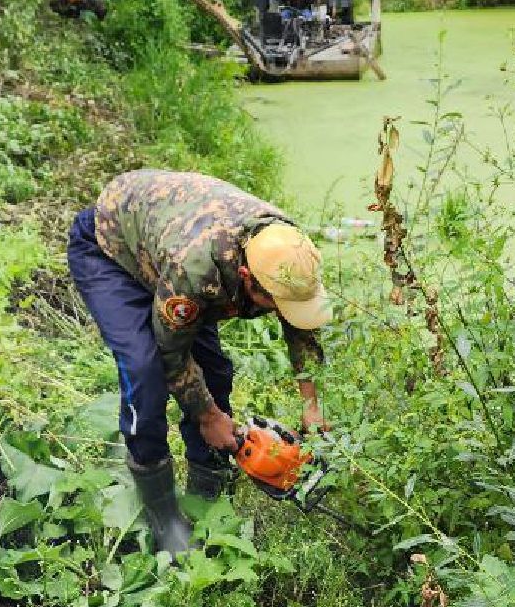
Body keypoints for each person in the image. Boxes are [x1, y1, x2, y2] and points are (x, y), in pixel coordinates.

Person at [66, 169, 331, 555]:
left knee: (215, 373)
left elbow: (299, 322)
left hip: (167, 245)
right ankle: (165, 519)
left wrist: (311, 405)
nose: (282, 310)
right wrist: (208, 416)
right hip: (111, 248)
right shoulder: (196, 271)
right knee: (146, 373)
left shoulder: (287, 252)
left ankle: (207, 497)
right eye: (274, 301)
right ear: (246, 276)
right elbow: (171, 351)